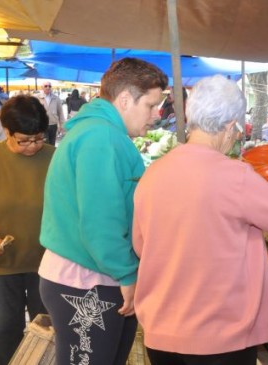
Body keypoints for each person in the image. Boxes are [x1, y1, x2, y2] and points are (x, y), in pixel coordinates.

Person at [132, 75, 268, 364]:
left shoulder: (154, 173)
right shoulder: (235, 176)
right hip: (219, 338)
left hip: (161, 331)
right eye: (237, 131)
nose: (235, 137)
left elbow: (142, 247)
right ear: (229, 126)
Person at [38, 58, 168, 365]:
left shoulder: (101, 133)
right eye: (150, 105)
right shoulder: (101, 138)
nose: (156, 114)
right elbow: (100, 223)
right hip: (85, 281)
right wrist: (127, 273)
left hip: (93, 276)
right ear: (125, 99)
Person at [0, 95, 54, 365]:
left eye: (39, 138)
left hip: (48, 263)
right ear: (7, 130)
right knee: (3, 328)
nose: (33, 146)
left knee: (47, 329)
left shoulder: (57, 158)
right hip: (3, 264)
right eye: (24, 140)